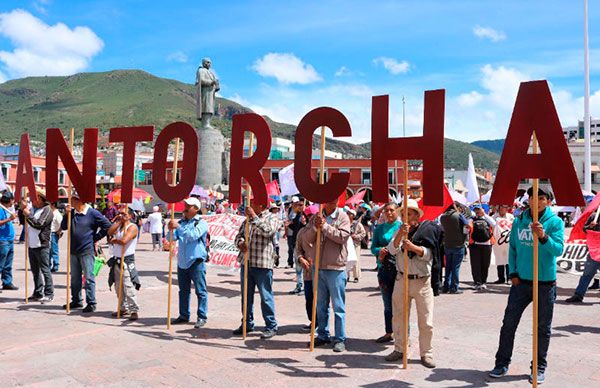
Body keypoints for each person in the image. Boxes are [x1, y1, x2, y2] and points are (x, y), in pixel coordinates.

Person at [489, 187, 564, 385]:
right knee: (509, 324)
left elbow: (557, 250)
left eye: (542, 198)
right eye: (533, 197)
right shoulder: (519, 221)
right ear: (528, 200)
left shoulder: (555, 222)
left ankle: (539, 366)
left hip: (545, 284)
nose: (537, 201)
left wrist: (543, 237)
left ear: (548, 201)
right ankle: (502, 363)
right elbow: (512, 247)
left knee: (543, 328)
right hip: (521, 283)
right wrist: (513, 273)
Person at [384, 199, 442, 369]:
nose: (405, 217)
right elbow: (392, 250)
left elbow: (430, 254)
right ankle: (400, 349)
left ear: (416, 215)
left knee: (426, 321)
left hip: (422, 281)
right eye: (403, 214)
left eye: (408, 214)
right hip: (402, 280)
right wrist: (401, 236)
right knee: (399, 317)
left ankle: (426, 353)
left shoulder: (427, 230)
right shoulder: (399, 231)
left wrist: (414, 248)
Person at [307, 199, 351, 352]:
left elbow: (342, 237)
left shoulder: (343, 217)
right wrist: (314, 227)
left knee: (338, 306)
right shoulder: (316, 216)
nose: (331, 201)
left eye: (334, 198)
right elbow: (307, 239)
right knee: (320, 305)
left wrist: (324, 226)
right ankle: (322, 335)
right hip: (318, 267)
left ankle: (340, 338)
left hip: (335, 268)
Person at [233, 201, 279, 338]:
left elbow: (268, 231)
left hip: (263, 264)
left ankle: (271, 325)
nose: (249, 205)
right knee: (246, 297)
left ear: (261, 205)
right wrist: (240, 243)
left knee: (266, 296)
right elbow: (238, 236)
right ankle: (247, 323)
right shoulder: (247, 220)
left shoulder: (273, 217)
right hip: (246, 262)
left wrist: (254, 217)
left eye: (253, 203)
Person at [61, 191, 112, 313]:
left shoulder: (92, 213)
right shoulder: (72, 213)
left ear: (80, 201)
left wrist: (96, 237)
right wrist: (66, 215)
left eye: (73, 199)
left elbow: (107, 225)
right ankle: (77, 300)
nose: (71, 202)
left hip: (86, 250)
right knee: (75, 278)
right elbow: (63, 227)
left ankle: (91, 302)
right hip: (73, 250)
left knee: (89, 277)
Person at [169, 198, 210, 328]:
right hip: (182, 261)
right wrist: (169, 230)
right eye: (185, 205)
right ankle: (184, 315)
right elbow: (172, 238)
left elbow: (192, 235)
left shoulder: (201, 223)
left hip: (196, 261)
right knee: (183, 291)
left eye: (188, 206)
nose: (185, 207)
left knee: (200, 291)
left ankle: (202, 316)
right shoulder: (181, 222)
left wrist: (179, 228)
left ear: (196, 209)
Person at [370, 202, 401, 343]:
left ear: (397, 212)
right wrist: (380, 251)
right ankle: (389, 332)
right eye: (386, 210)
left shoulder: (401, 227)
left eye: (392, 210)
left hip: (399, 269)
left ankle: (403, 334)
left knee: (401, 304)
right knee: (387, 304)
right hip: (383, 269)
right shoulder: (379, 229)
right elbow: (373, 248)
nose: (389, 213)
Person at [107, 206, 141, 320]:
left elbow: (124, 241)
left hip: (126, 260)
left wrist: (115, 240)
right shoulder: (119, 226)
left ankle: (134, 310)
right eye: (120, 213)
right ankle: (122, 308)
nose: (122, 215)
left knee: (128, 286)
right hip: (116, 259)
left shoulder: (133, 227)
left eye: (124, 214)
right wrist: (118, 221)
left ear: (130, 215)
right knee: (118, 287)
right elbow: (109, 231)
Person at [23, 190, 54, 303]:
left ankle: (49, 293)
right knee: (35, 270)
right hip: (32, 243)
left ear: (40, 198)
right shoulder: (34, 209)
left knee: (45, 270)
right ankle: (38, 291)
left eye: (34, 198)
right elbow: (25, 220)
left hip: (42, 244)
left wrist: (28, 215)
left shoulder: (47, 210)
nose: (32, 200)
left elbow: (39, 224)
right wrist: (23, 210)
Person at [565, 212, 600, 303]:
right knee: (587, 274)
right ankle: (579, 295)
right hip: (594, 251)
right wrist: (590, 226)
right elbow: (584, 229)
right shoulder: (593, 216)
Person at [440, 202, 469, 294]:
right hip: (458, 244)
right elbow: (467, 225)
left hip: (447, 244)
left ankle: (446, 286)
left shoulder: (442, 217)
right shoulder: (458, 215)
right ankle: (454, 287)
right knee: (455, 267)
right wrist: (464, 237)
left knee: (448, 266)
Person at [294, 211, 315, 332]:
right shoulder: (302, 232)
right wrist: (301, 258)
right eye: (308, 216)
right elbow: (298, 249)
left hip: (321, 270)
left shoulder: (322, 231)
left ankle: (322, 324)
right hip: (307, 272)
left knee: (321, 301)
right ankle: (313, 321)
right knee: (309, 298)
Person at [468, 205, 496, 291]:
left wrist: (485, 215)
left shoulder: (488, 218)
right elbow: (467, 228)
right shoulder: (472, 219)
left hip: (487, 244)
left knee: (485, 264)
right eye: (476, 210)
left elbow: (494, 224)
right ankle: (477, 282)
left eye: (479, 209)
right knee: (475, 265)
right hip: (474, 244)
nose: (477, 211)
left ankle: (484, 282)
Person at [0, 191, 18, 291]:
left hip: (9, 240)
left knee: (8, 264)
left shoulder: (6, 209)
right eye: (12, 200)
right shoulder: (0, 209)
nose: (13, 202)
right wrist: (9, 219)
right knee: (1, 263)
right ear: (9, 200)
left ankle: (7, 282)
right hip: (2, 240)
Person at [492, 205, 514, 284]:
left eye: (504, 207)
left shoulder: (510, 216)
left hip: (508, 240)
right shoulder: (494, 216)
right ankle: (501, 278)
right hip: (498, 241)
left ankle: (509, 278)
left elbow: (513, 227)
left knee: (508, 260)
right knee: (499, 259)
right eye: (501, 207)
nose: (502, 209)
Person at [347, 208, 366, 283]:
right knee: (347, 260)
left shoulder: (357, 224)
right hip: (347, 244)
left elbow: (363, 233)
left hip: (355, 244)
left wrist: (356, 236)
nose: (348, 215)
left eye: (350, 214)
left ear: (353, 215)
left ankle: (356, 276)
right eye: (347, 213)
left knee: (356, 260)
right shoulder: (344, 223)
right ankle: (347, 275)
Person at [49, 202, 63, 272]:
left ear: (53, 205)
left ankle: (55, 265)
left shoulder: (57, 214)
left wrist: (59, 231)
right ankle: (49, 265)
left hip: (53, 233)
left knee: (54, 250)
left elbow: (61, 224)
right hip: (49, 233)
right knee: (49, 250)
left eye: (50, 204)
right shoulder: (51, 212)